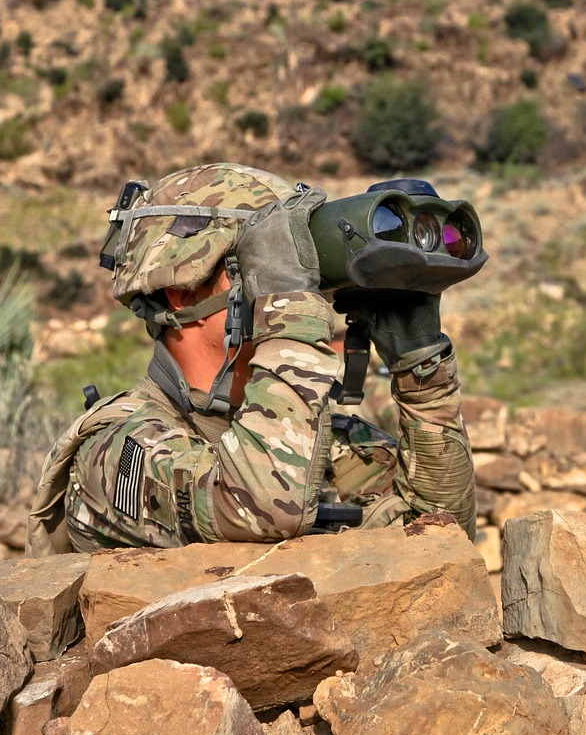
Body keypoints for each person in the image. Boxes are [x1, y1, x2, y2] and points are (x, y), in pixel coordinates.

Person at [27, 163, 476, 555]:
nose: (295, 284)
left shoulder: (336, 442)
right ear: (182, 291)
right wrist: (289, 314)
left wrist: (422, 373)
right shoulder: (117, 448)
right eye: (260, 264)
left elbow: (444, 544)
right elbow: (259, 507)